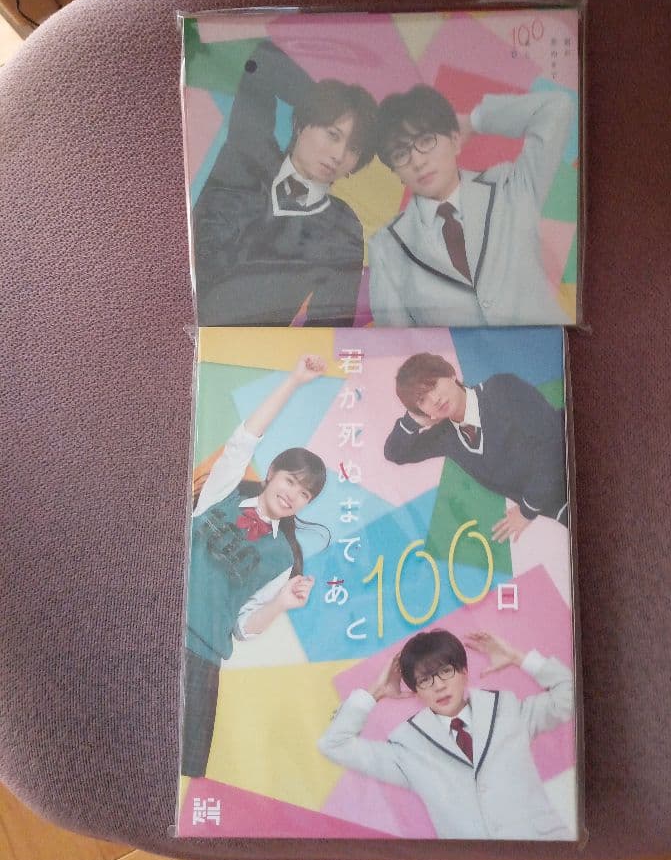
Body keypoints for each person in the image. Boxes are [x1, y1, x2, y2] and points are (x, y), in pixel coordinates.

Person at [181, 354, 328, 778]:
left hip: (202, 660)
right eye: (290, 481)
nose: (293, 494)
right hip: (157, 631)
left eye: (304, 494)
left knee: (178, 776)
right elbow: (244, 440)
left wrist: (282, 603)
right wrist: (295, 380)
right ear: (271, 475)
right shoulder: (221, 493)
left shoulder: (283, 559)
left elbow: (244, 627)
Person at [318, 629, 574, 840]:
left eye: (445, 671)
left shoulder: (508, 711)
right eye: (425, 680)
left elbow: (573, 696)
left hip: (547, 849)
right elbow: (334, 745)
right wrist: (375, 692)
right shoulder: (407, 748)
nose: (439, 685)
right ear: (416, 691)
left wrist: (518, 658)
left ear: (464, 672)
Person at [192, 37, 378, 327]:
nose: (339, 155)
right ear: (301, 125)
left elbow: (330, 328)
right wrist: (320, 103)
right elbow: (263, 60)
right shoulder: (248, 155)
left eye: (353, 148)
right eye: (332, 134)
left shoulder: (342, 227)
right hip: (165, 314)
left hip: (249, 352)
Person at [368, 84, 574, 326]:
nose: (418, 161)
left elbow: (556, 108)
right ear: (396, 172)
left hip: (550, 347)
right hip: (456, 354)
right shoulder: (386, 247)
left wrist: (475, 122)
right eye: (401, 154)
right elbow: (396, 342)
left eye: (426, 140)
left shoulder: (510, 186)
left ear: (455, 140)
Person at [384, 352, 567, 543]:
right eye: (422, 400)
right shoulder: (445, 436)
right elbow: (395, 453)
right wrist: (412, 420)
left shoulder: (502, 389)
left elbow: (554, 444)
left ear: (451, 374)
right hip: (559, 511)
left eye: (434, 384)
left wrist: (527, 510)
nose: (435, 399)